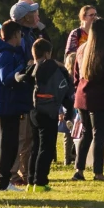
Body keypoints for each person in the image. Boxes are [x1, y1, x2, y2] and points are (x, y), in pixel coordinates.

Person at [71, 15, 104, 180]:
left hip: (81, 96)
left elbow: (76, 76)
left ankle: (79, 170)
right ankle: (98, 172)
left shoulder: (82, 49)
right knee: (99, 135)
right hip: (100, 98)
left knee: (86, 134)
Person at [0, 18, 30, 192]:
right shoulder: (6, 54)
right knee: (7, 144)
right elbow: (5, 78)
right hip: (6, 103)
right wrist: (22, 71)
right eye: (20, 34)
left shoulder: (9, 52)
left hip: (5, 103)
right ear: (15, 35)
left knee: (2, 143)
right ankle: (3, 182)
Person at [7, 0, 45, 186]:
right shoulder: (20, 37)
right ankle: (13, 175)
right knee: (21, 137)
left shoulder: (30, 34)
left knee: (29, 136)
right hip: (20, 92)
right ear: (25, 18)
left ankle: (27, 172)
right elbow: (21, 64)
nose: (37, 14)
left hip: (28, 92)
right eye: (33, 12)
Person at [28, 37, 73, 190]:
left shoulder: (31, 68)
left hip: (33, 111)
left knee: (35, 147)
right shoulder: (56, 69)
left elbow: (19, 78)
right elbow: (66, 91)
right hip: (49, 112)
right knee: (46, 147)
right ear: (48, 54)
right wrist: (69, 113)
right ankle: (40, 182)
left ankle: (30, 181)